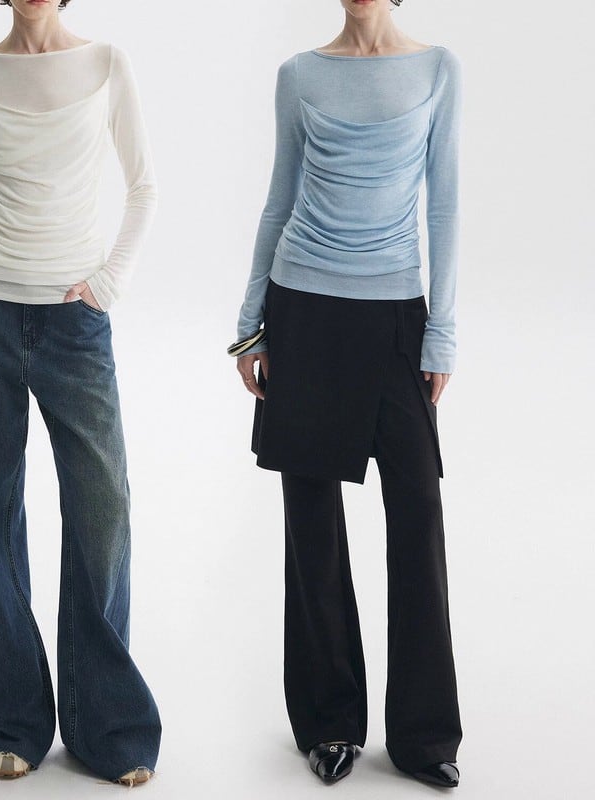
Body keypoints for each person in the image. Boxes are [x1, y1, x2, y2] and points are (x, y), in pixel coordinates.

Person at [0, 0, 160, 785]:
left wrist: (108, 284)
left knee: (103, 509)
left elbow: (145, 187)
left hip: (73, 319)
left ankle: (107, 726)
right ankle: (6, 717)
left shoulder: (108, 65)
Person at [231, 0, 463, 788]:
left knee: (417, 513)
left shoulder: (437, 69)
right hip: (302, 308)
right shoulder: (299, 75)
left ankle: (425, 737)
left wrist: (442, 333)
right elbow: (279, 197)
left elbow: (445, 204)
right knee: (313, 525)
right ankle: (329, 724)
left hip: (395, 314)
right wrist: (250, 324)